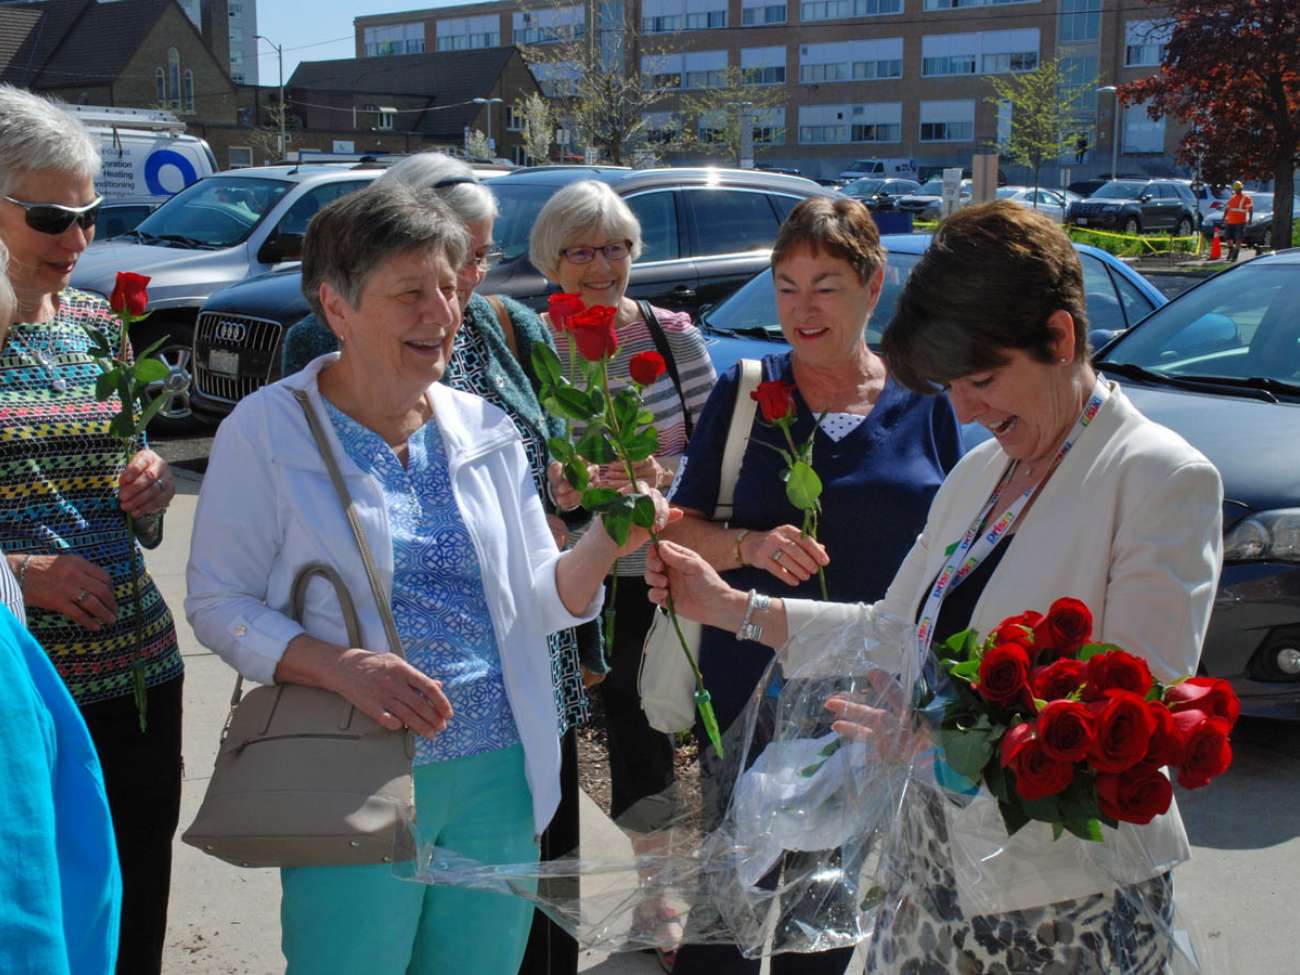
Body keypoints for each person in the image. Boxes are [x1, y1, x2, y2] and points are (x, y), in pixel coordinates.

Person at [647, 201, 1223, 973]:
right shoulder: (986, 470)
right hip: (935, 876)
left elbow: (1128, 728)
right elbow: (892, 626)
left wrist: (940, 746)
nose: (964, 409)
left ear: (1061, 337)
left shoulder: (1158, 477)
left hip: (1062, 899)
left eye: (983, 379)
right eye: (952, 385)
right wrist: (733, 606)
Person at [186, 181, 674, 975]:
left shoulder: (481, 427)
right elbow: (216, 600)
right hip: (356, 776)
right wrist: (338, 665)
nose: (440, 312)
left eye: (448, 287)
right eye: (409, 291)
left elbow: (540, 596)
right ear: (335, 307)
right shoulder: (270, 429)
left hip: (500, 775)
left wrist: (609, 535)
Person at [281, 150, 590, 975]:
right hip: (364, 741)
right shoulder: (303, 377)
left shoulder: (506, 333)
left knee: (497, 936)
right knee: (363, 946)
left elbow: (541, 485)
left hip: (509, 696)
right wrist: (332, 661)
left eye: (476, 262)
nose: (458, 292)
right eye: (446, 264)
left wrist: (582, 506)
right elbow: (241, 579)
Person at [657, 197, 963, 975]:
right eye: (786, 285)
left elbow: (951, 559)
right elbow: (678, 531)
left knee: (823, 923)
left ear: (874, 284)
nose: (802, 308)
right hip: (751, 699)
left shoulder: (927, 402)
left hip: (865, 707)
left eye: (825, 284)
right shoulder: (746, 390)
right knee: (723, 920)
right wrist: (749, 543)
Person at [0, 83, 181, 975]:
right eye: (49, 216)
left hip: (139, 667)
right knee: (40, 925)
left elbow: (128, 480)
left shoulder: (97, 324)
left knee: (132, 905)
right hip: (23, 693)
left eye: (89, 215)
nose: (77, 240)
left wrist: (149, 493)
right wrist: (20, 571)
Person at [529, 179, 716, 969]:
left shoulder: (672, 338)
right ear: (551, 259)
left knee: (661, 727)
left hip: (658, 569)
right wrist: (561, 485)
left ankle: (662, 894)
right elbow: (516, 457)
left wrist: (660, 469)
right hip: (567, 577)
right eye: (582, 250)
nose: (601, 266)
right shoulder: (530, 344)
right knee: (588, 738)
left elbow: (713, 454)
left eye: (616, 248)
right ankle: (595, 902)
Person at [1224, 180, 1253, 261]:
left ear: (1241, 189)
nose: (1237, 190)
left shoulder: (1246, 198)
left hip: (1240, 222)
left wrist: (1250, 218)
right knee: (1228, 238)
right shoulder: (1232, 198)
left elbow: (1250, 209)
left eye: (1238, 189)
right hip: (1230, 221)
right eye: (1236, 189)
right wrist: (1224, 218)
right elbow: (1227, 208)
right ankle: (1231, 250)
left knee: (1238, 238)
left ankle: (1235, 254)